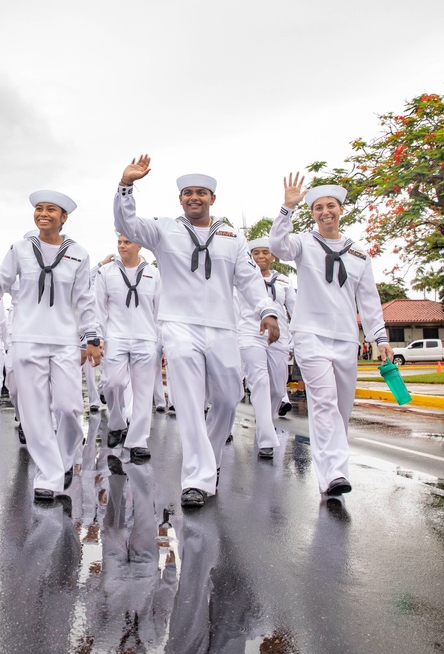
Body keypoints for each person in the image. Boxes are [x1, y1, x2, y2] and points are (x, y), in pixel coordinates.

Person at [114, 156, 279, 508]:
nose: (194, 198)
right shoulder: (163, 230)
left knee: (227, 398)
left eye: (201, 193)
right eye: (188, 193)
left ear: (212, 199)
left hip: (222, 328)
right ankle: (196, 478)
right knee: (188, 401)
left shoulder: (232, 238)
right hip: (179, 326)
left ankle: (211, 458)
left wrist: (267, 310)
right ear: (180, 199)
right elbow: (125, 222)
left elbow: (249, 281)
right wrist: (126, 186)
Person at [0, 190, 101, 502]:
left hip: (65, 341)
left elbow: (85, 300)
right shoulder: (20, 249)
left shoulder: (78, 254)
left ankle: (65, 459)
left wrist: (92, 338)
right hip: (27, 340)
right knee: (35, 411)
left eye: (50, 210)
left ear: (63, 217)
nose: (43, 214)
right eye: (39, 209)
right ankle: (49, 475)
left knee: (69, 408)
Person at [270, 174, 393, 497]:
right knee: (323, 403)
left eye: (331, 206)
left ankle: (334, 471)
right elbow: (277, 247)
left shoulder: (358, 255)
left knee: (341, 408)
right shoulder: (303, 244)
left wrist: (380, 338)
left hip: (345, 338)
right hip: (310, 335)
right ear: (312, 213)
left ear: (341, 211)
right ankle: (333, 475)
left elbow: (369, 301)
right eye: (319, 207)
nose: (325, 212)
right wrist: (287, 207)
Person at [95, 234, 161, 462]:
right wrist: (98, 337)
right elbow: (99, 307)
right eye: (119, 242)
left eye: (127, 242)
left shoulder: (154, 273)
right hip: (115, 337)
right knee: (113, 382)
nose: (122, 246)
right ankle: (116, 422)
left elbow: (159, 311)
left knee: (143, 392)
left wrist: (162, 343)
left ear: (139, 245)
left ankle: (138, 440)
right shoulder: (106, 272)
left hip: (146, 337)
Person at [238, 237, 296, 458]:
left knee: (278, 389)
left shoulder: (283, 282)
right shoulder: (241, 279)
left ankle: (266, 424)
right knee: (259, 382)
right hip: (250, 333)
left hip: (279, 336)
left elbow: (295, 310)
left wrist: (294, 340)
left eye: (265, 252)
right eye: (256, 253)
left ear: (273, 256)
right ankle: (265, 438)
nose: (261, 256)